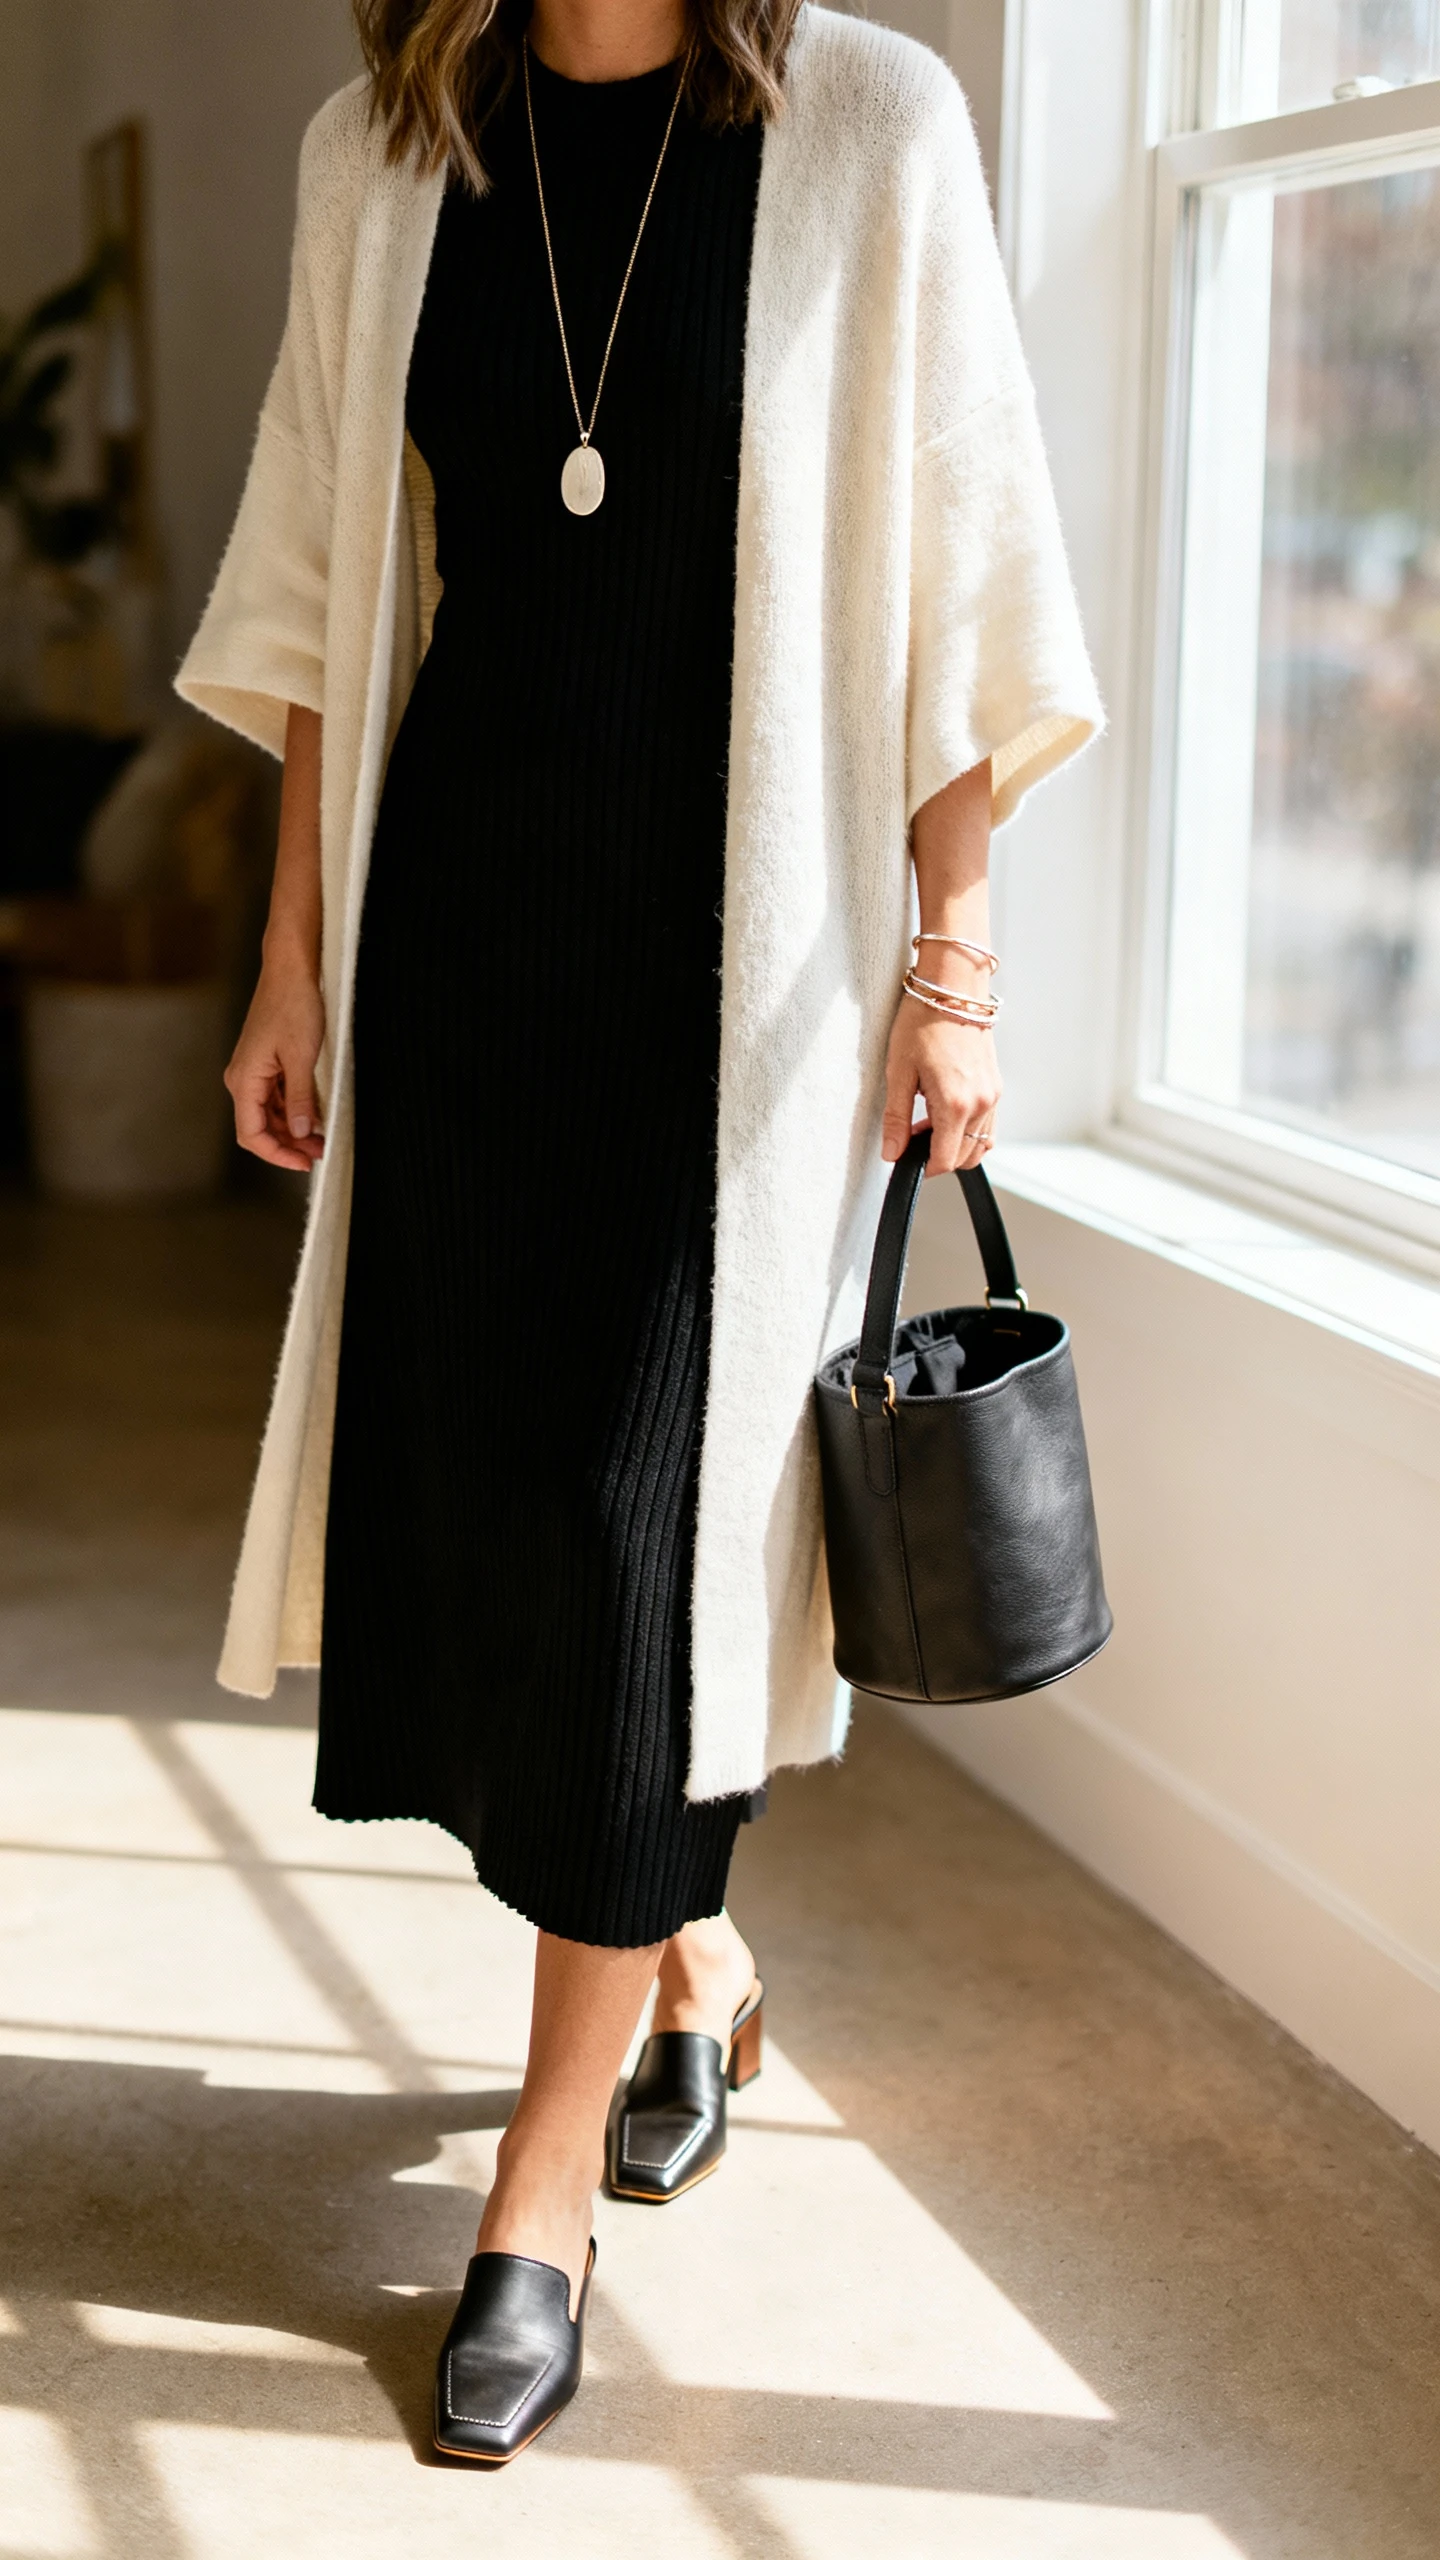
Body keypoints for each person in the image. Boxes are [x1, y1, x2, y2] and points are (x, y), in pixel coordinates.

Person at [178, 0, 1100, 2467]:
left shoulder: (872, 124)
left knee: (637, 1527)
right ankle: (692, 1959)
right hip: (466, 939)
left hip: (744, 988)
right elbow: (320, 576)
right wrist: (290, 951)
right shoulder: (384, 152)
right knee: (508, 1525)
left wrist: (957, 963)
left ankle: (538, 2186)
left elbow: (964, 554)